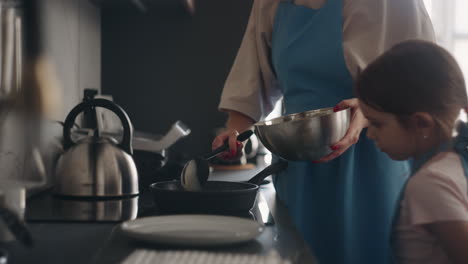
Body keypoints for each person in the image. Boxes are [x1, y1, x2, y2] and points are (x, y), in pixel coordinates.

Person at [212, 0, 435, 263]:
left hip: (371, 163)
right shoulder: (270, 3)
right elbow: (253, 77)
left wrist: (368, 111)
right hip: (298, 167)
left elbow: (421, 72)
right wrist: (234, 132)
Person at [355, 40, 468, 264]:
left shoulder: (430, 183)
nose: (370, 135)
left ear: (421, 124)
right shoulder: (455, 162)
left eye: (377, 124)